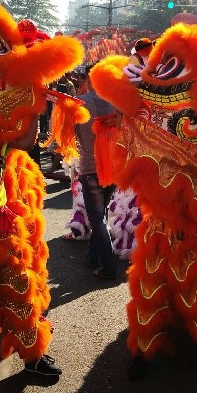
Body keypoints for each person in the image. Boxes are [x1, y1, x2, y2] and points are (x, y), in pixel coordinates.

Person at [74, 68, 119, 280]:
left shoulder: (80, 102)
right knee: (100, 215)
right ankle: (92, 257)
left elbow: (72, 133)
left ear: (91, 80)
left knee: (97, 218)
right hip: (112, 169)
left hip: (90, 167)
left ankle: (109, 267)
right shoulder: (115, 102)